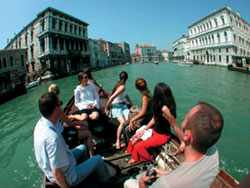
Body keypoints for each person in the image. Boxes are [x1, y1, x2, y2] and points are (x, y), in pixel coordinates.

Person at [124, 102, 224, 188]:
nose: (184, 119)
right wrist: (166, 173)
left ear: (187, 135)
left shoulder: (167, 184)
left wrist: (142, 183)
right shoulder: (213, 152)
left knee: (128, 183)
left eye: (186, 117)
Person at [34, 92, 109, 188]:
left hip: (65, 164)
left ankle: (87, 174)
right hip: (68, 176)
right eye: (60, 104)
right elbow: (57, 173)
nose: (61, 107)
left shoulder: (40, 125)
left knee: (82, 147)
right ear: (57, 109)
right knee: (98, 159)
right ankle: (105, 183)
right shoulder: (53, 139)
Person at [127, 83, 184, 164]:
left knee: (138, 146)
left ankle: (150, 160)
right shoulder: (159, 104)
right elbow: (155, 118)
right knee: (133, 139)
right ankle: (137, 156)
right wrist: (145, 129)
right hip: (154, 130)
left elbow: (175, 126)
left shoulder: (165, 109)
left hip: (162, 135)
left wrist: (182, 142)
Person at [48, 83, 94, 157]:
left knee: (80, 128)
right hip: (63, 134)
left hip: (59, 131)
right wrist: (82, 123)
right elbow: (69, 123)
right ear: (58, 92)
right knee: (88, 133)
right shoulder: (58, 108)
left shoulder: (49, 106)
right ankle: (92, 156)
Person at [105, 71, 133, 149]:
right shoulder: (121, 87)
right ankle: (118, 141)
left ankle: (126, 139)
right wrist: (106, 108)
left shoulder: (121, 85)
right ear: (126, 78)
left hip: (123, 106)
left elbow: (126, 95)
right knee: (123, 123)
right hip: (116, 107)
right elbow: (111, 97)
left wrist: (132, 103)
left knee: (129, 122)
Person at [123, 78, 153, 144]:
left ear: (136, 88)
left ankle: (132, 145)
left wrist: (132, 120)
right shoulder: (148, 93)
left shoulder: (145, 97)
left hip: (147, 120)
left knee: (128, 130)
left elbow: (143, 112)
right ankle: (126, 143)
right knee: (125, 124)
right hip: (148, 117)